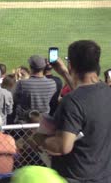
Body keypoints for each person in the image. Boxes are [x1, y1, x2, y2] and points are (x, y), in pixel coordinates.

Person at [35, 40, 111, 182]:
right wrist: (65, 74)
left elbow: (63, 146)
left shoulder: (71, 101)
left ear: (71, 65)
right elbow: (87, 98)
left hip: (75, 178)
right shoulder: (106, 92)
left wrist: (39, 139)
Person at [14, 55, 56, 122]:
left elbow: (15, 99)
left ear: (31, 67)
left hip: (24, 122)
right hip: (43, 121)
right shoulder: (52, 83)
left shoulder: (22, 83)